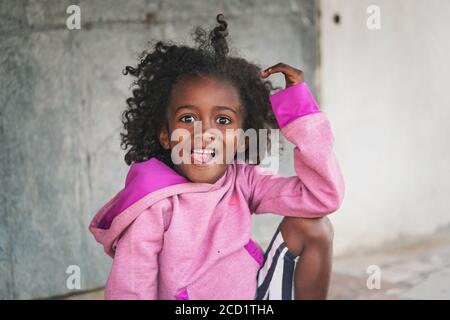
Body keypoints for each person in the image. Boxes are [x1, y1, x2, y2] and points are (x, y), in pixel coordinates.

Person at [89, 13, 344, 300]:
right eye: (187, 118)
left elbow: (323, 196)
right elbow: (131, 289)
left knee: (314, 226)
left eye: (223, 121)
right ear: (165, 134)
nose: (205, 132)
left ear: (241, 136)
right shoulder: (153, 204)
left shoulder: (243, 180)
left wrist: (300, 113)